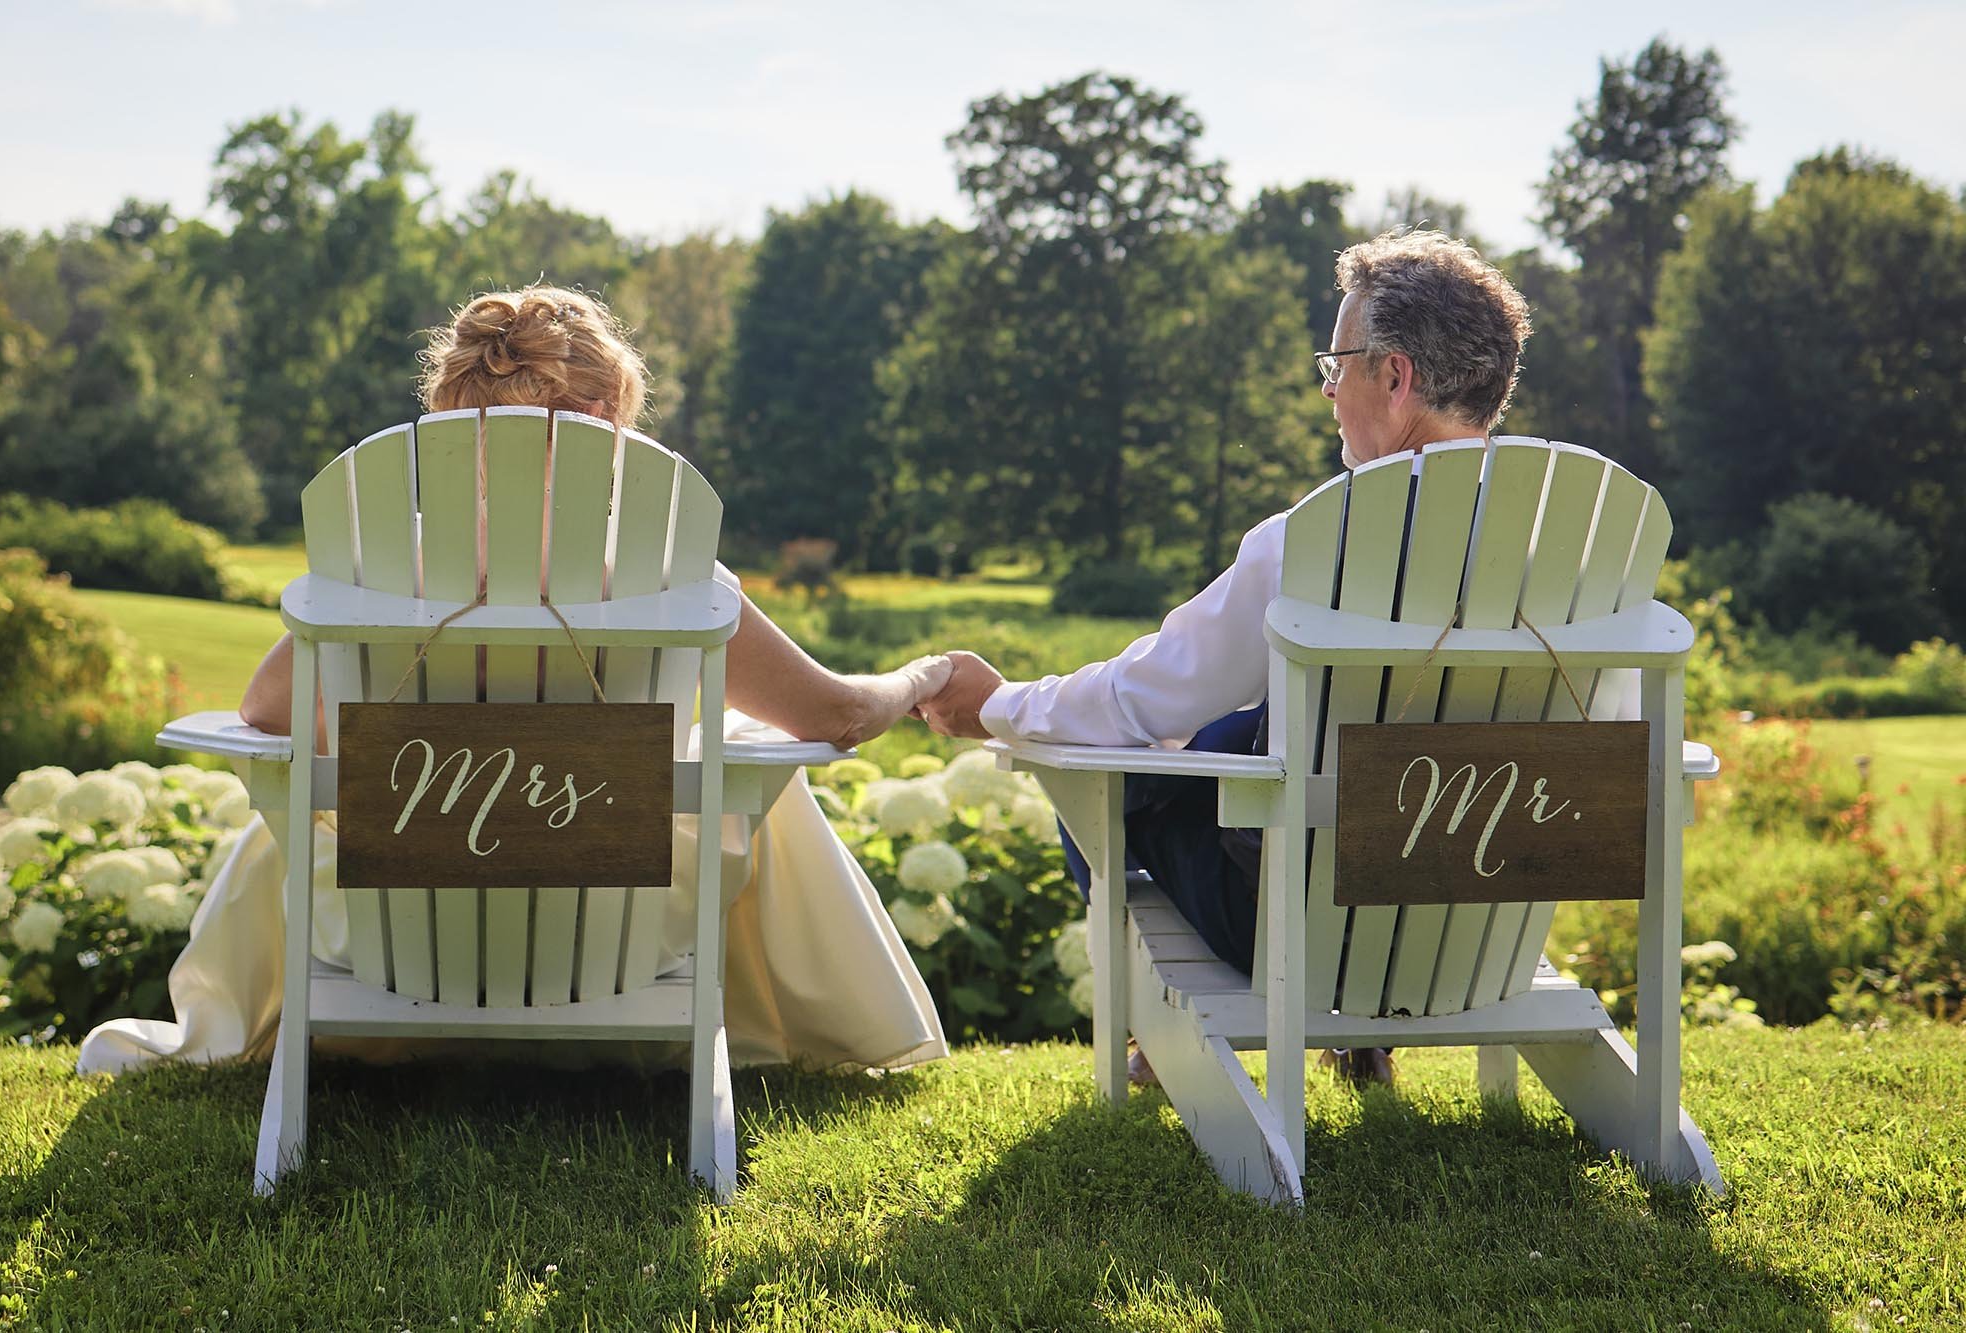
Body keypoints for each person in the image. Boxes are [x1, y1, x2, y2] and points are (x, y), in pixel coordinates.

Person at [78, 286, 954, 1077]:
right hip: (615, 929)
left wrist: (437, 767)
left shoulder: (386, 565)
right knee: (740, 757)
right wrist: (925, 673)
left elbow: (263, 713)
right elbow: (835, 713)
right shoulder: (672, 571)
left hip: (402, 930)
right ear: (604, 413)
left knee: (318, 794)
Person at [916, 230, 1534, 1086]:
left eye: (1337, 363)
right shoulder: (1570, 547)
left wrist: (999, 704)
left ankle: (1161, 1039)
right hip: (1487, 921)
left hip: (1305, 928)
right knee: (1247, 727)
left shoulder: (1316, 543)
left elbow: (1142, 702)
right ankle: (1364, 1039)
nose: (1327, 388)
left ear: (1392, 378)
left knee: (1097, 777)